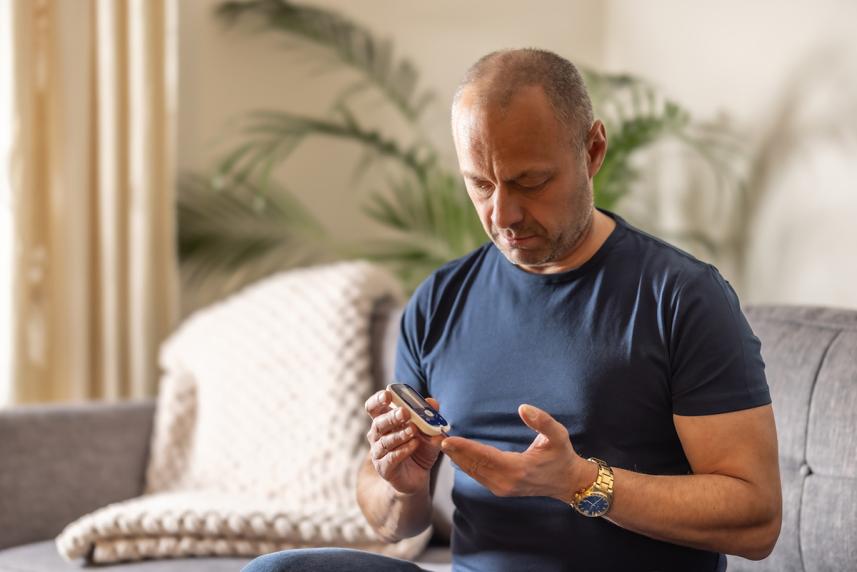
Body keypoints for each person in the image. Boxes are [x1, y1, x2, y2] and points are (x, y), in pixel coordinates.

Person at [243, 48, 782, 572]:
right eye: (480, 184)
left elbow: (756, 521)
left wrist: (580, 483)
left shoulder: (682, 296)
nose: (502, 214)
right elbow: (395, 522)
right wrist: (401, 485)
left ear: (593, 151)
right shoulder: (439, 299)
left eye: (530, 182)